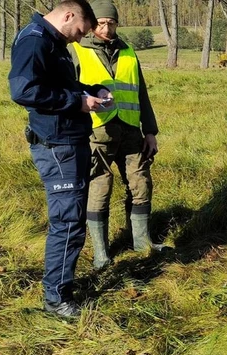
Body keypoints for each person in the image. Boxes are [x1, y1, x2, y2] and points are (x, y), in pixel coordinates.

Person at [9, 0, 111, 318]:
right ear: (68, 16)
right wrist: (77, 102)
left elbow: (58, 85)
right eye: (80, 31)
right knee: (67, 222)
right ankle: (56, 298)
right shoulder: (36, 39)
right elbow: (24, 91)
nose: (79, 39)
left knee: (71, 219)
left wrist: (91, 91)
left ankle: (60, 287)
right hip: (57, 145)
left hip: (68, 141)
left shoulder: (51, 40)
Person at [67, 0, 167, 271]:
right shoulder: (76, 50)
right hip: (96, 133)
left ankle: (141, 242)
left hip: (132, 131)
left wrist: (150, 131)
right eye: (101, 23)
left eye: (111, 22)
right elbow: (69, 92)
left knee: (141, 183)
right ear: (90, 24)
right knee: (100, 187)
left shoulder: (129, 52)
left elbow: (141, 93)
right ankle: (101, 252)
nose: (106, 27)